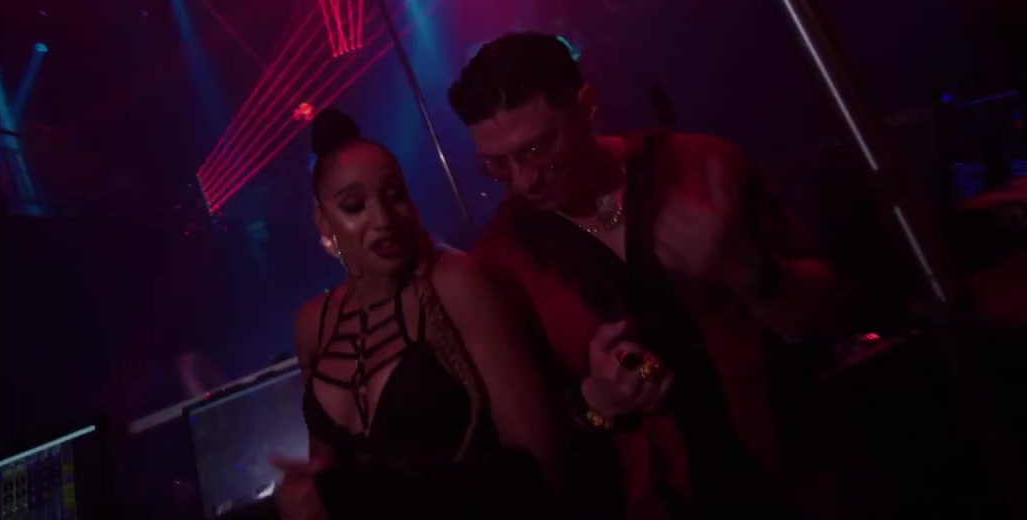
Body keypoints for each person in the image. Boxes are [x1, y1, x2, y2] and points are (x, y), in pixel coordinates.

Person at [448, 32, 840, 518]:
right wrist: (595, 403)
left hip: (802, 477)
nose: (524, 179)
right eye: (497, 164)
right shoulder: (500, 261)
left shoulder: (698, 166)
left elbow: (836, 312)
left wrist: (750, 273)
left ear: (587, 106)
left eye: (537, 147)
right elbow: (527, 451)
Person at [273, 108, 565, 520]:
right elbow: (324, 472)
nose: (383, 219)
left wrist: (351, 497)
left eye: (395, 195)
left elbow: (539, 467)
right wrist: (305, 494)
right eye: (354, 205)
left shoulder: (456, 284)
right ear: (324, 222)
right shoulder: (314, 324)